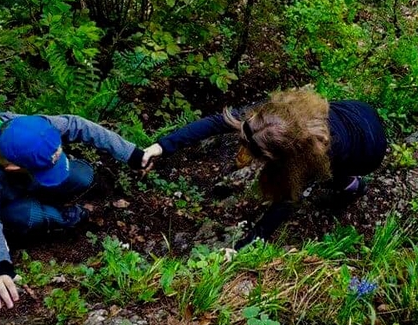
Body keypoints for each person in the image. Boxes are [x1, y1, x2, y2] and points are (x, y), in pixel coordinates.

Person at [0, 112, 146, 310]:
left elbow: (77, 124)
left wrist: (132, 154)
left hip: (20, 176)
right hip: (1, 199)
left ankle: (52, 187)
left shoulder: (25, 128)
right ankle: (62, 218)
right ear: (13, 167)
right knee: (25, 216)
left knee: (83, 175)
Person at [143, 87, 387, 249]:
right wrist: (162, 146)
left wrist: (244, 246)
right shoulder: (272, 118)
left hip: (368, 150)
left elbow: (286, 201)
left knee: (332, 175)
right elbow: (218, 122)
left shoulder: (315, 155)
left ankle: (354, 186)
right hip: (360, 110)